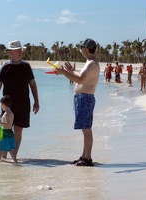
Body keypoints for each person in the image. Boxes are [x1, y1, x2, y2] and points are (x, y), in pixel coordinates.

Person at [0, 40, 40, 159]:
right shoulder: (5, 67)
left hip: (24, 103)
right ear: (11, 52)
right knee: (6, 129)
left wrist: (36, 101)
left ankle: (14, 156)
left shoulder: (26, 66)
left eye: (21, 50)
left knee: (18, 130)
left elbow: (32, 84)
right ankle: (3, 158)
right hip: (7, 104)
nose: (20, 52)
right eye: (18, 50)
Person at [55, 38, 100, 166]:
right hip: (83, 98)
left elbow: (80, 80)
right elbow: (81, 76)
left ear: (85, 48)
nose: (80, 50)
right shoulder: (90, 62)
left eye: (81, 48)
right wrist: (70, 71)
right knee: (85, 129)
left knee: (86, 129)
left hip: (86, 98)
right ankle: (84, 156)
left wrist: (64, 72)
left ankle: (87, 158)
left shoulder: (92, 63)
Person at [0, 95, 17, 162]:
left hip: (5, 133)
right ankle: (14, 160)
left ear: (3, 104)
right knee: (9, 148)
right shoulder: (10, 113)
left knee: (0, 147)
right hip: (10, 133)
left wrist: (0, 123)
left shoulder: (6, 114)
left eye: (1, 105)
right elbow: (6, 121)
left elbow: (8, 125)